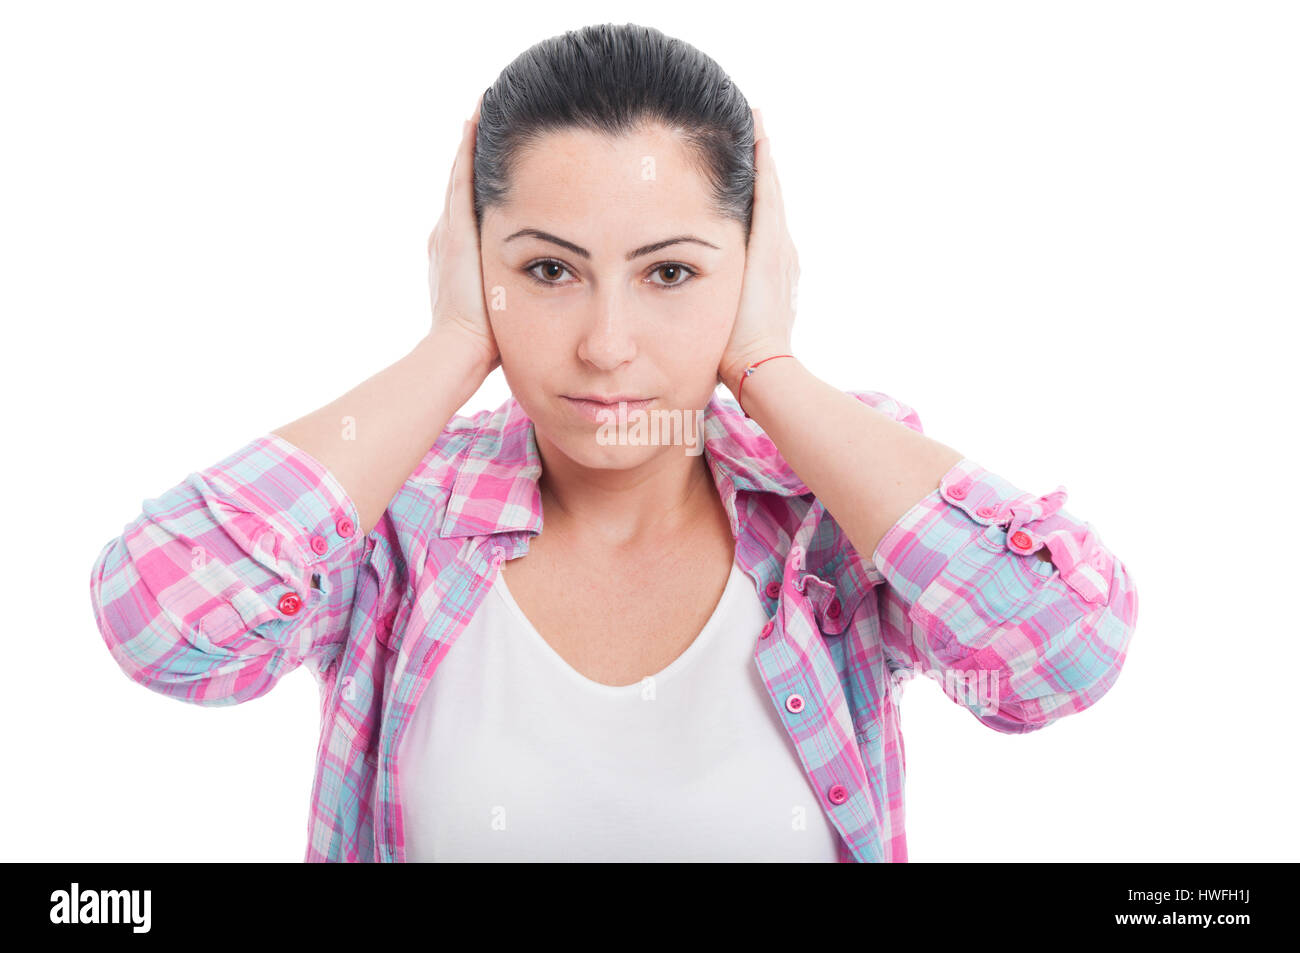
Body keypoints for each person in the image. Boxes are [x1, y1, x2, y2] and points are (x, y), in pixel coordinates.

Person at [88, 23, 1138, 863]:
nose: (605, 345)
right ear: (474, 260)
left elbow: (1062, 655)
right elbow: (157, 625)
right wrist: (455, 344)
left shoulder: (832, 509)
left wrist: (767, 365)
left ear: (752, 264)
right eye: (547, 270)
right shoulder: (395, 518)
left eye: (670, 272)